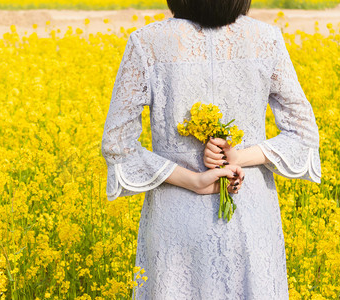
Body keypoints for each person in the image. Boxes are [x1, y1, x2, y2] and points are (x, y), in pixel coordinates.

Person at [101, 0, 321, 299]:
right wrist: (239, 156)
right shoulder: (266, 39)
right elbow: (303, 133)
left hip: (175, 218)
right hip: (249, 212)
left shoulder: (146, 43)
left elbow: (117, 145)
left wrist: (191, 180)